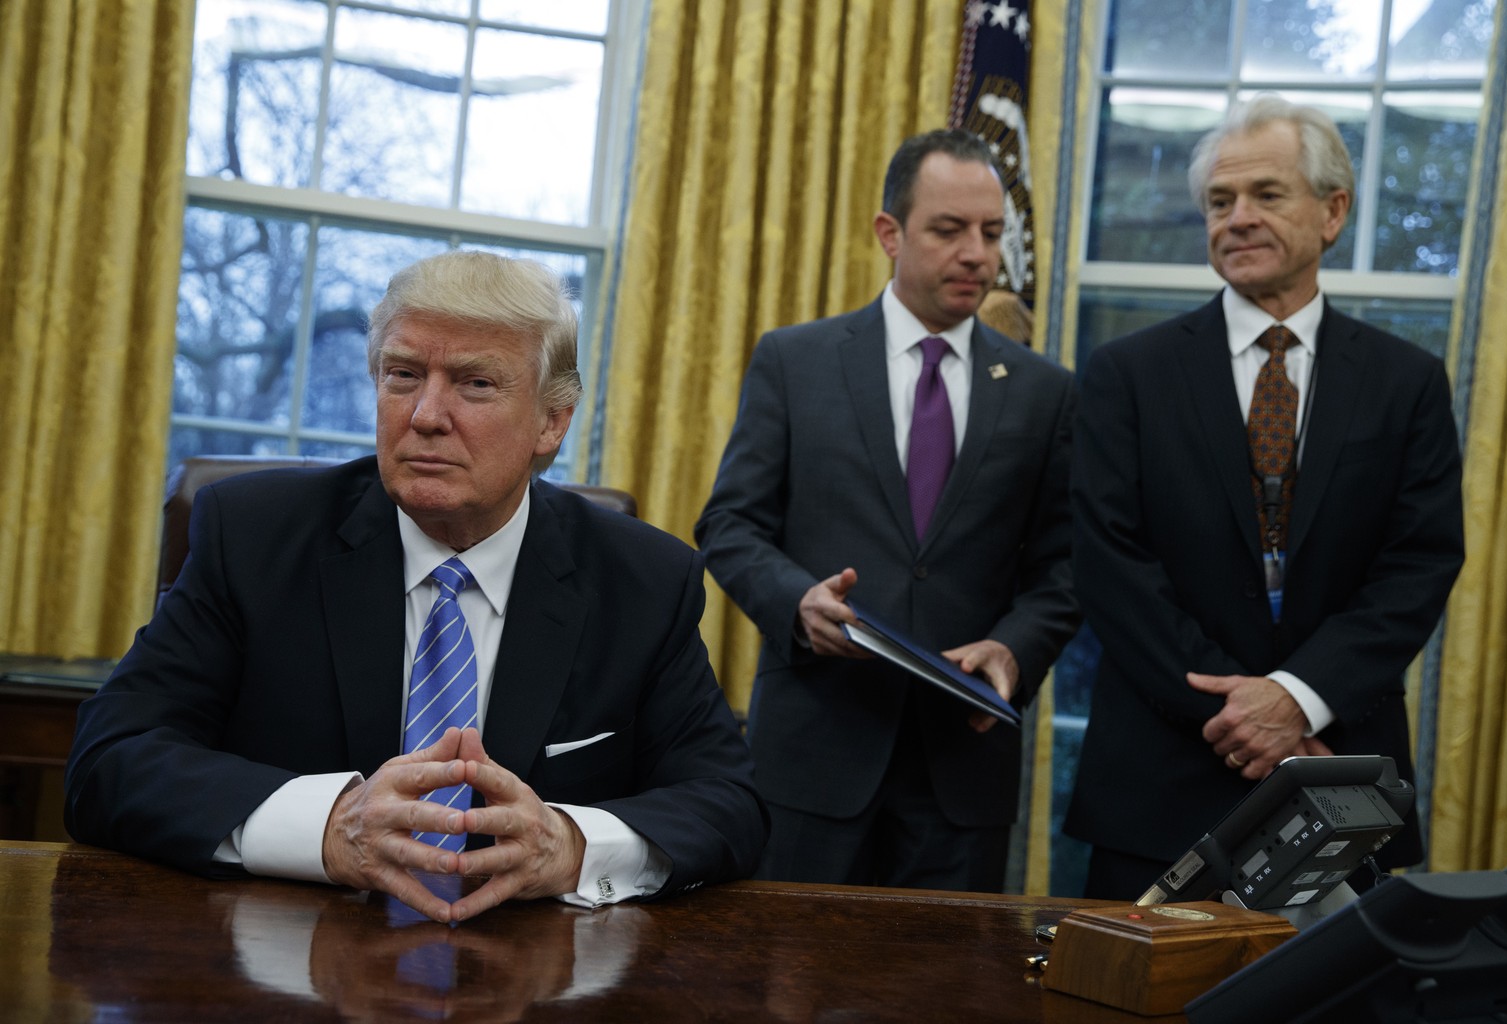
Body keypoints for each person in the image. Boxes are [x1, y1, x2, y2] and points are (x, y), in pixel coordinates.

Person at [65, 251, 768, 923]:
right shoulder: (254, 536)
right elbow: (110, 759)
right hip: (279, 957)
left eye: (476, 383)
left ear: (552, 422)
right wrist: (328, 827)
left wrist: (572, 846)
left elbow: (728, 803)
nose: (426, 414)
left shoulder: (642, 580)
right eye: (402, 374)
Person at [1064, 95, 1465, 899]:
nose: (1238, 217)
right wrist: (1249, 719)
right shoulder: (1125, 375)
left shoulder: (1405, 383)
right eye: (1220, 201)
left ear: (1333, 211)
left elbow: (1417, 565)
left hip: (1336, 775)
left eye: (1266, 195)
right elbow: (1110, 564)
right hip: (1161, 782)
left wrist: (1298, 699)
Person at [695, 129, 1078, 892]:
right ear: (889, 233)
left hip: (962, 771)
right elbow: (730, 525)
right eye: (949, 230)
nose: (976, 253)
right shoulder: (796, 361)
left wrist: (1013, 650)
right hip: (814, 757)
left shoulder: (1046, 392)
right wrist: (796, 602)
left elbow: (1064, 567)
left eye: (992, 233)